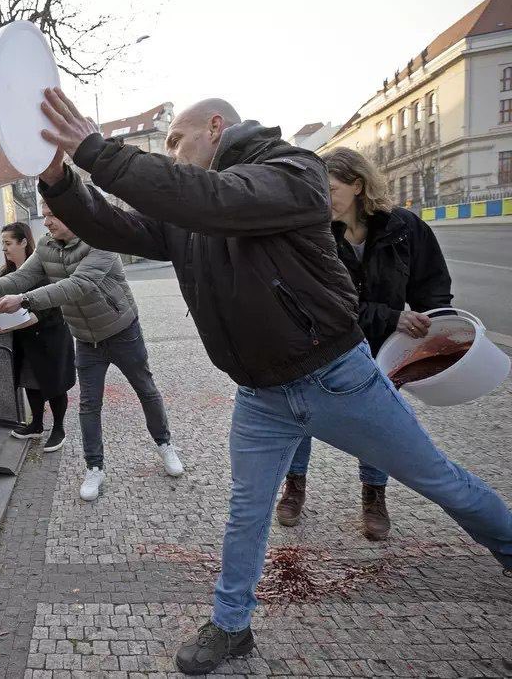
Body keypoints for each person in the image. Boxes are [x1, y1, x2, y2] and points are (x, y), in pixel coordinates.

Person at [34, 88, 512, 675]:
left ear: (216, 128)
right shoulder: (194, 210)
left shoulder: (292, 171)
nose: (172, 153)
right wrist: (59, 178)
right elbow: (116, 226)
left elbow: (212, 199)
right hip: (260, 394)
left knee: (441, 481)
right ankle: (232, 627)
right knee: (246, 511)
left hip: (336, 376)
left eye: (177, 141)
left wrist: (95, 148)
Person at [277, 147, 454, 541]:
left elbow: (432, 284)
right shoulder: (315, 234)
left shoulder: (404, 228)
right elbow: (325, 301)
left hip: (382, 347)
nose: (322, 197)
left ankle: (374, 496)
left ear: (358, 185)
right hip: (323, 342)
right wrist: (392, 317)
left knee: (375, 422)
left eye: (331, 187)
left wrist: (438, 328)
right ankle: (294, 488)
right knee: (300, 416)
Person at [0, 205, 184, 502]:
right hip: (87, 340)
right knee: (89, 404)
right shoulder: (47, 246)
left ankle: (165, 445)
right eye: (45, 215)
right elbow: (22, 277)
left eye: (53, 214)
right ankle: (94, 466)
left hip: (122, 330)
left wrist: (24, 300)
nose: (47, 222)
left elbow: (78, 285)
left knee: (145, 389)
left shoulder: (102, 241)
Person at [0, 221, 76, 452]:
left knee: (54, 383)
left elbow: (42, 312)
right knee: (30, 380)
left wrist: (9, 327)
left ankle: (58, 429)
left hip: (50, 336)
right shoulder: (7, 274)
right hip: (25, 338)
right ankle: (36, 425)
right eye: (3, 244)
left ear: (23, 242)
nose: (5, 249)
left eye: (8, 243)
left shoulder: (43, 270)